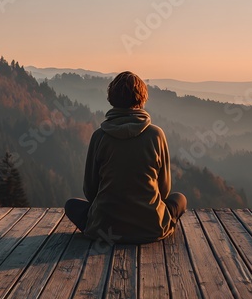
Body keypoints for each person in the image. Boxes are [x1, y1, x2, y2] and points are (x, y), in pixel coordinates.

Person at [64, 71, 187, 244]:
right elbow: (164, 191)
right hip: (151, 228)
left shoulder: (99, 136)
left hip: (104, 229)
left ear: (112, 100)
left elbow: (90, 191)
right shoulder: (156, 135)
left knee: (71, 205)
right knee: (179, 199)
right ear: (142, 99)